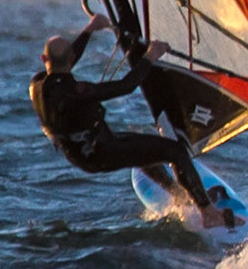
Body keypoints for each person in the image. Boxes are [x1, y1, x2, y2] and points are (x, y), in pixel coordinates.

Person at [29, 15, 232, 229]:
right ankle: (209, 214)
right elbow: (126, 86)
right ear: (70, 57)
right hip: (100, 153)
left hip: (81, 150)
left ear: (44, 59)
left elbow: (63, 62)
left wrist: (90, 29)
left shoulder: (37, 86)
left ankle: (180, 196)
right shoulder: (78, 92)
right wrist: (150, 56)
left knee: (145, 152)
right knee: (175, 151)